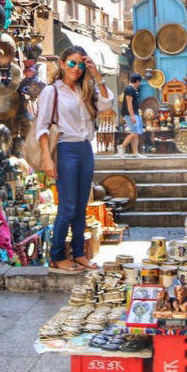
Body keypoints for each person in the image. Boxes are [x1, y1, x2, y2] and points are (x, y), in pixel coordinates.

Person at [36, 46, 114, 273]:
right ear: (61, 63)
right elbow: (41, 128)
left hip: (84, 149)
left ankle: (79, 254)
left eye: (81, 64)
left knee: (81, 206)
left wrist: (96, 75)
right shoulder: (52, 91)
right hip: (65, 149)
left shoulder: (85, 90)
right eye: (72, 63)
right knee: (68, 207)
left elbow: (107, 106)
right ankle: (58, 256)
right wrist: (48, 160)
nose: (76, 69)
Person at [118, 73, 145, 157]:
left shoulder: (134, 89)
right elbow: (129, 103)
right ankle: (121, 147)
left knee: (136, 133)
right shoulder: (129, 89)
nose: (140, 84)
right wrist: (132, 116)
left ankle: (135, 152)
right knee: (134, 132)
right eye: (139, 82)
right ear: (137, 81)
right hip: (130, 114)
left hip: (135, 113)